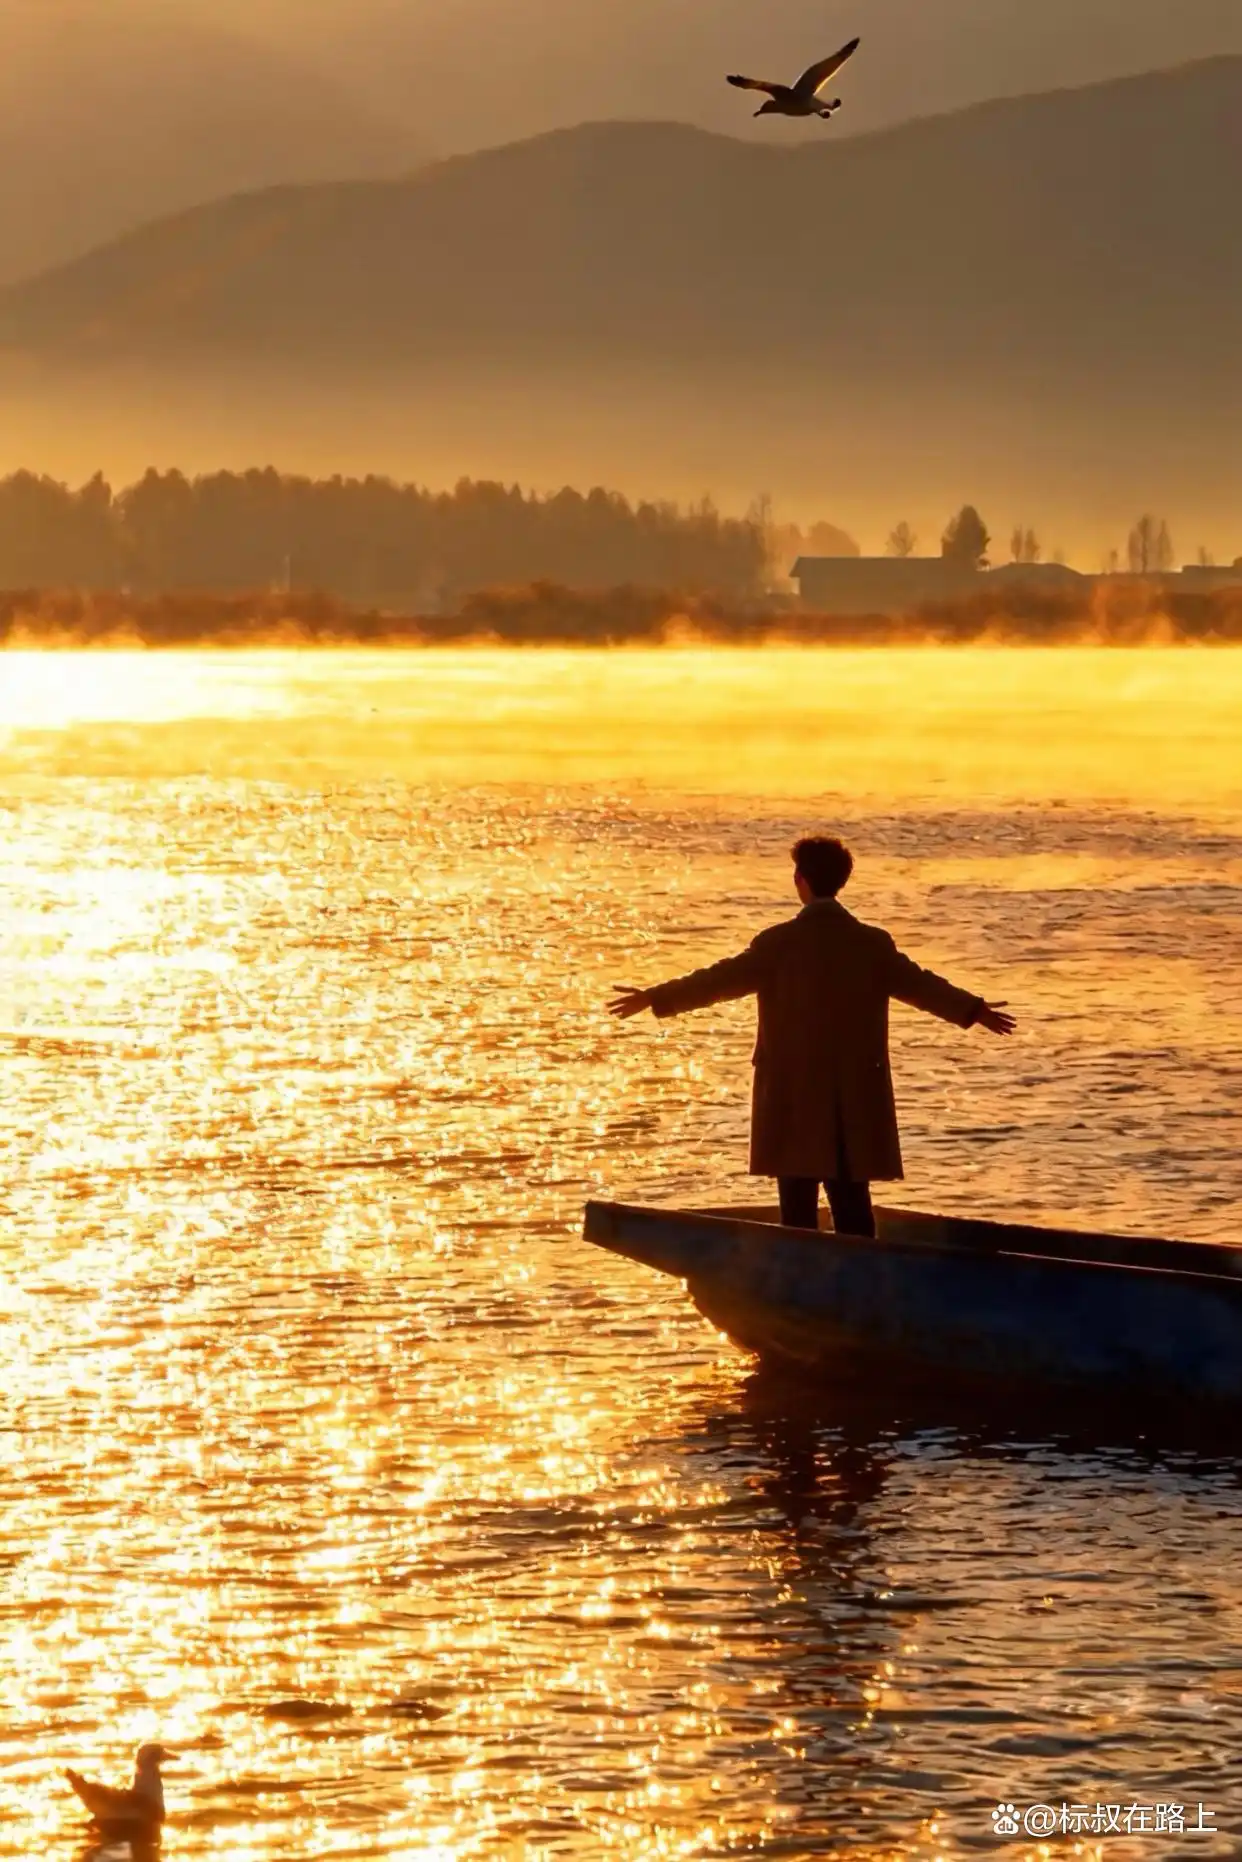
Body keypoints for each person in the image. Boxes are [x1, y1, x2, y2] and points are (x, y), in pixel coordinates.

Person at [608, 835, 1014, 1236]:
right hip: (853, 1098)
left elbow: (719, 980)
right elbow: (921, 985)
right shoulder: (870, 943)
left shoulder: (778, 943)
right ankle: (862, 1286)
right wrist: (973, 1010)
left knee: (797, 1211)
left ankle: (800, 1287)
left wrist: (655, 997)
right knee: (854, 1207)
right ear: (841, 881)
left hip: (792, 1095)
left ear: (800, 878)